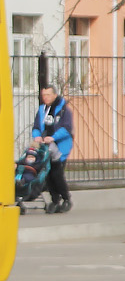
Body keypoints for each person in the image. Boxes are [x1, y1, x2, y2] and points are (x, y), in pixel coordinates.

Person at [32, 84, 73, 214]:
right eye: (44, 95)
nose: (46, 97)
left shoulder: (64, 110)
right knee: (48, 175)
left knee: (57, 174)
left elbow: (66, 128)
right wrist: (37, 136)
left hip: (60, 148)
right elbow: (36, 127)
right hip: (46, 148)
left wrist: (53, 137)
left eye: (48, 95)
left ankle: (66, 199)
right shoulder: (42, 110)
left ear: (54, 95)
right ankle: (55, 200)